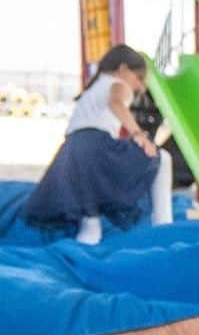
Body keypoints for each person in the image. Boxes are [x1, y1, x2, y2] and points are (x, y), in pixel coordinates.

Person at [21, 44, 173, 244]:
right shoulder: (119, 84)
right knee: (162, 158)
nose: (140, 87)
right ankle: (163, 223)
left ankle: (90, 229)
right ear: (124, 70)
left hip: (71, 150)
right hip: (94, 145)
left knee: (88, 189)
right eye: (139, 78)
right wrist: (138, 134)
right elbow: (116, 103)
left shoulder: (94, 86)